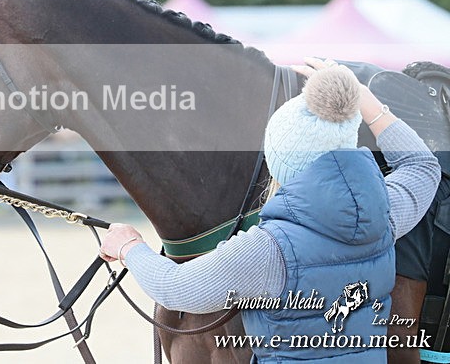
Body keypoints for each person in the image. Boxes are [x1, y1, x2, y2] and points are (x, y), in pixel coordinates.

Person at [99, 58, 441, 363]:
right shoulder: (385, 215)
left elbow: (177, 288)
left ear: (277, 163)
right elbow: (422, 164)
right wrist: (364, 99)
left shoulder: (268, 250)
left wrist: (128, 246)